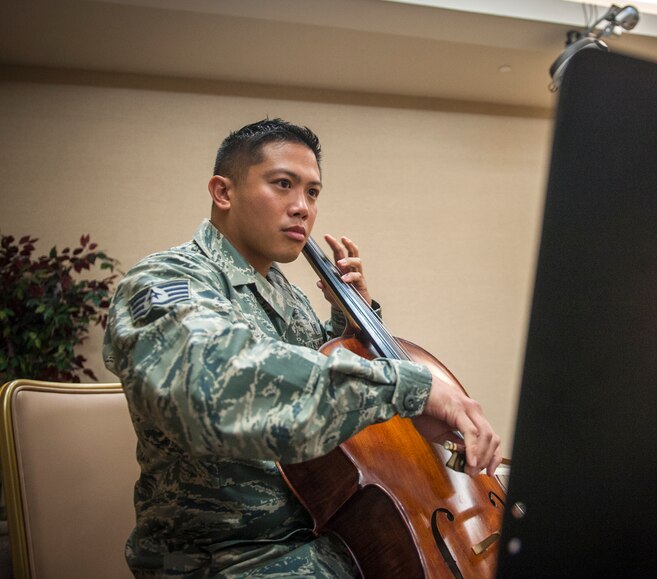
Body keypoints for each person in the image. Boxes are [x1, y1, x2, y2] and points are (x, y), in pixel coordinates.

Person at [103, 118, 502, 577]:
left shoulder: (287, 296)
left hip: (322, 535)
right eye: (282, 184)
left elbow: (332, 411)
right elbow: (218, 387)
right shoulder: (165, 280)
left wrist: (352, 321)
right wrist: (414, 387)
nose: (302, 208)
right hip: (232, 557)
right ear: (223, 192)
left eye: (312, 192)